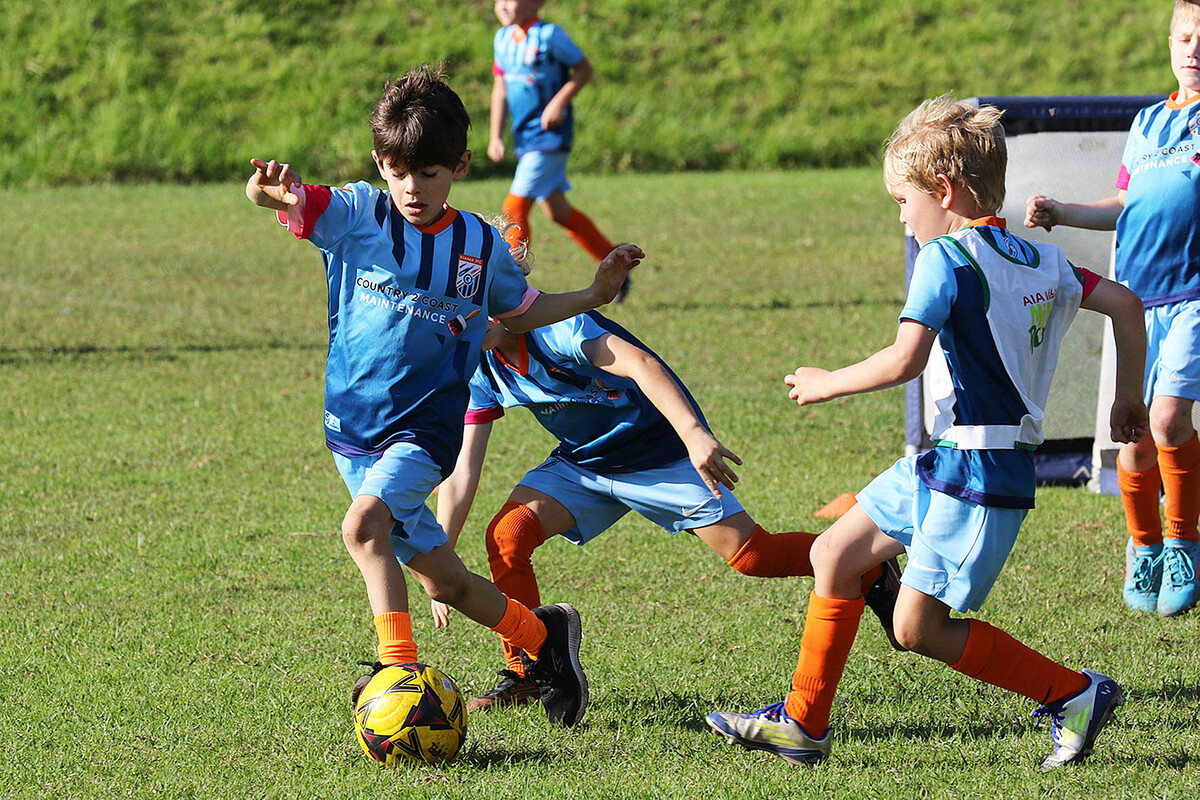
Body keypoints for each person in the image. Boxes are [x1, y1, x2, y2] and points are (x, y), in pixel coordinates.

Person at [706, 96, 1149, 769]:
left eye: (903, 201)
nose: (902, 217)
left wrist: (826, 381)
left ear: (944, 191)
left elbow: (903, 361)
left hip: (976, 478)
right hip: (947, 462)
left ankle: (1074, 693)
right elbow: (1125, 302)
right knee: (834, 555)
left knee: (916, 628)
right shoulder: (1041, 260)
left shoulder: (946, 259)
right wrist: (1125, 401)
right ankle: (803, 723)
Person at [243, 63, 644, 729]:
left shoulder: (477, 244)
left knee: (363, 528)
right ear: (380, 162)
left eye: (427, 173)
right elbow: (280, 200)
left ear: (458, 166)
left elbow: (521, 311)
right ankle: (545, 639)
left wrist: (595, 295)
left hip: (424, 433)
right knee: (443, 580)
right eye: (398, 171)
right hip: (350, 431)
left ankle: (396, 668)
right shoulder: (355, 213)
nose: (411, 187)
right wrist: (264, 191)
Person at [429, 309, 903, 711]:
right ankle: (531, 670)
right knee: (508, 535)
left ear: (506, 296)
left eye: (471, 306)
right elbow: (463, 469)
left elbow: (640, 363)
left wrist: (695, 435)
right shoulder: (480, 367)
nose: (461, 321)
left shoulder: (562, 329)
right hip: (585, 464)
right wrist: (442, 558)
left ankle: (870, 569)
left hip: (662, 455)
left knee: (753, 557)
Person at [1024, 0, 1200, 616]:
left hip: (1194, 299)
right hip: (1137, 302)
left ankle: (1183, 541)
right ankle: (1144, 545)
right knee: (1133, 437)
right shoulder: (1150, 122)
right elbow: (1123, 203)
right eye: (1184, 37)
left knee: (1170, 420)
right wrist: (1066, 211)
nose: (1193, 50)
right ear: (1170, 41)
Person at [489, 0, 629, 300]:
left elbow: (583, 69)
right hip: (525, 138)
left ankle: (512, 286)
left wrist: (558, 102)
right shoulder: (501, 39)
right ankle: (615, 261)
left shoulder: (549, 35)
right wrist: (495, 136)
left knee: (514, 208)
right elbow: (500, 88)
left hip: (550, 138)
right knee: (558, 212)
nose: (502, 5)